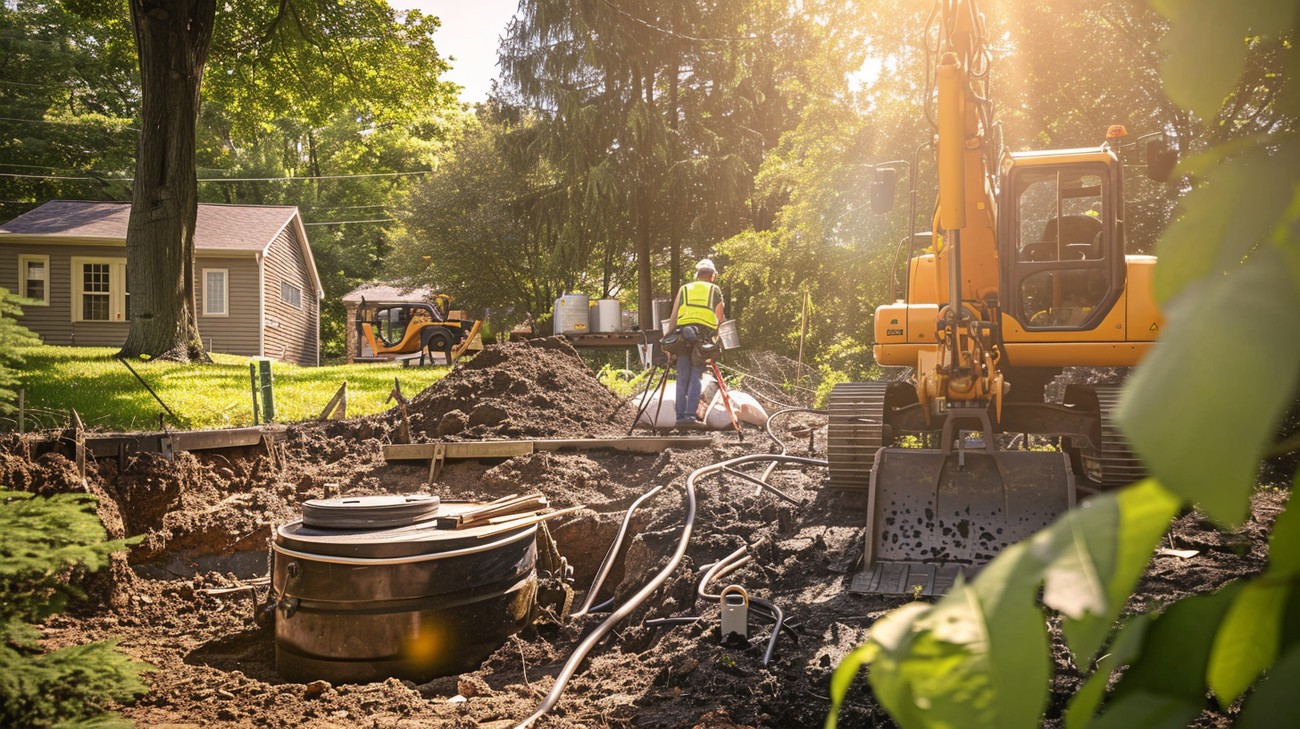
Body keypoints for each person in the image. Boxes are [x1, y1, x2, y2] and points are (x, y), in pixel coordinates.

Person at [669, 258, 726, 427]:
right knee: (696, 374)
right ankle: (690, 416)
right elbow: (720, 318)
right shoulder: (714, 289)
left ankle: (680, 417)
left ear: (697, 274)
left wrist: (668, 340)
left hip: (682, 335)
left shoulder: (684, 289)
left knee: (682, 375)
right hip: (702, 338)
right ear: (713, 275)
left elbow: (673, 316)